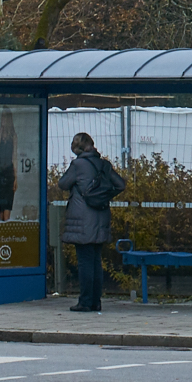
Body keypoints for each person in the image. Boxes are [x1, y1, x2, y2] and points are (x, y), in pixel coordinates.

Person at [58, 133, 114, 312]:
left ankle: (85, 302)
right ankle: (96, 301)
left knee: (85, 262)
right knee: (96, 261)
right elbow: (119, 184)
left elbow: (63, 184)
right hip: (101, 216)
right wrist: (102, 195)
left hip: (83, 220)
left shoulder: (78, 165)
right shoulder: (103, 164)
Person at [0, 112, 18, 221]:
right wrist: (1, 130)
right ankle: (1, 229)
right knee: (1, 204)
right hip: (0, 170)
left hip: (9, 171)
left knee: (8, 203)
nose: (2, 120)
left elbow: (15, 156)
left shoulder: (13, 137)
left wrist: (15, 178)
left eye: (4, 118)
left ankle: (6, 227)